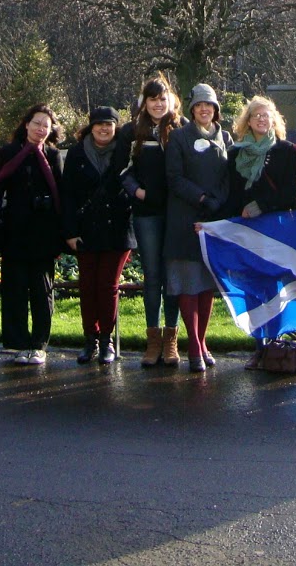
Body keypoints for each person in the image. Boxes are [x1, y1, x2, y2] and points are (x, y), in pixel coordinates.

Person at [0, 104, 65, 365]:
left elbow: (60, 193)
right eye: (36, 123)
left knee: (42, 290)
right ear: (26, 124)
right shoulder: (9, 152)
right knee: (16, 288)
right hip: (15, 229)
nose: (41, 129)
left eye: (46, 125)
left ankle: (39, 343)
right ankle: (19, 342)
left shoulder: (53, 155)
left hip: (44, 231)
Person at [226, 96, 296, 367]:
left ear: (274, 120)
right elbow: (231, 193)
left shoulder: (286, 151)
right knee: (251, 287)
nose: (261, 119)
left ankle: (277, 341)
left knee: (275, 285)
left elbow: (290, 191)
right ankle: (259, 344)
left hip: (273, 226)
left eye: (266, 116)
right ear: (247, 121)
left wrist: (262, 206)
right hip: (246, 228)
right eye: (256, 115)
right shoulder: (236, 153)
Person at [164, 83, 234, 371]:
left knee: (206, 286)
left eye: (210, 105)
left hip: (213, 221)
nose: (205, 109)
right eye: (200, 105)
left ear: (216, 110)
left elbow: (231, 175)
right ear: (192, 109)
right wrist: (201, 197)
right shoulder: (179, 137)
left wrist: (218, 200)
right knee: (188, 284)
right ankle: (193, 345)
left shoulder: (226, 137)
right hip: (184, 218)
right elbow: (174, 177)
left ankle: (202, 342)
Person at [62, 105, 135, 365]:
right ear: (90, 127)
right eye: (99, 124)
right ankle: (89, 339)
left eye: (109, 124)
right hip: (86, 230)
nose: (104, 128)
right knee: (87, 287)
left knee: (107, 286)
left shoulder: (125, 153)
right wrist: (70, 231)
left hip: (117, 229)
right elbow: (67, 194)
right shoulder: (76, 153)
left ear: (116, 127)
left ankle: (107, 340)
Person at [119, 76, 183, 367]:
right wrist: (137, 191)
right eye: (153, 98)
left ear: (171, 101)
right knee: (153, 276)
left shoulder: (181, 130)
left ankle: (171, 339)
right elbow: (121, 170)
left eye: (163, 98)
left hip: (175, 212)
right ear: (144, 102)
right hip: (147, 213)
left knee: (172, 277)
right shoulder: (132, 131)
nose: (158, 103)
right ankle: (153, 340)